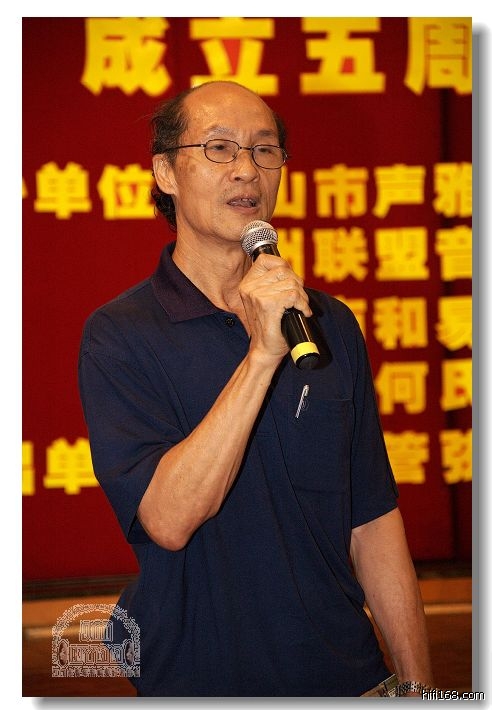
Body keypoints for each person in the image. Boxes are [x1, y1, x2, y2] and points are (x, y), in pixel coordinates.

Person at [78, 80, 434, 697]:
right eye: (219, 148)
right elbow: (168, 519)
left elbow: (372, 519)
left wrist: (420, 687)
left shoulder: (327, 323)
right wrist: (262, 355)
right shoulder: (120, 334)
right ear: (165, 172)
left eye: (264, 150)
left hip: (345, 671)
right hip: (201, 676)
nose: (247, 169)